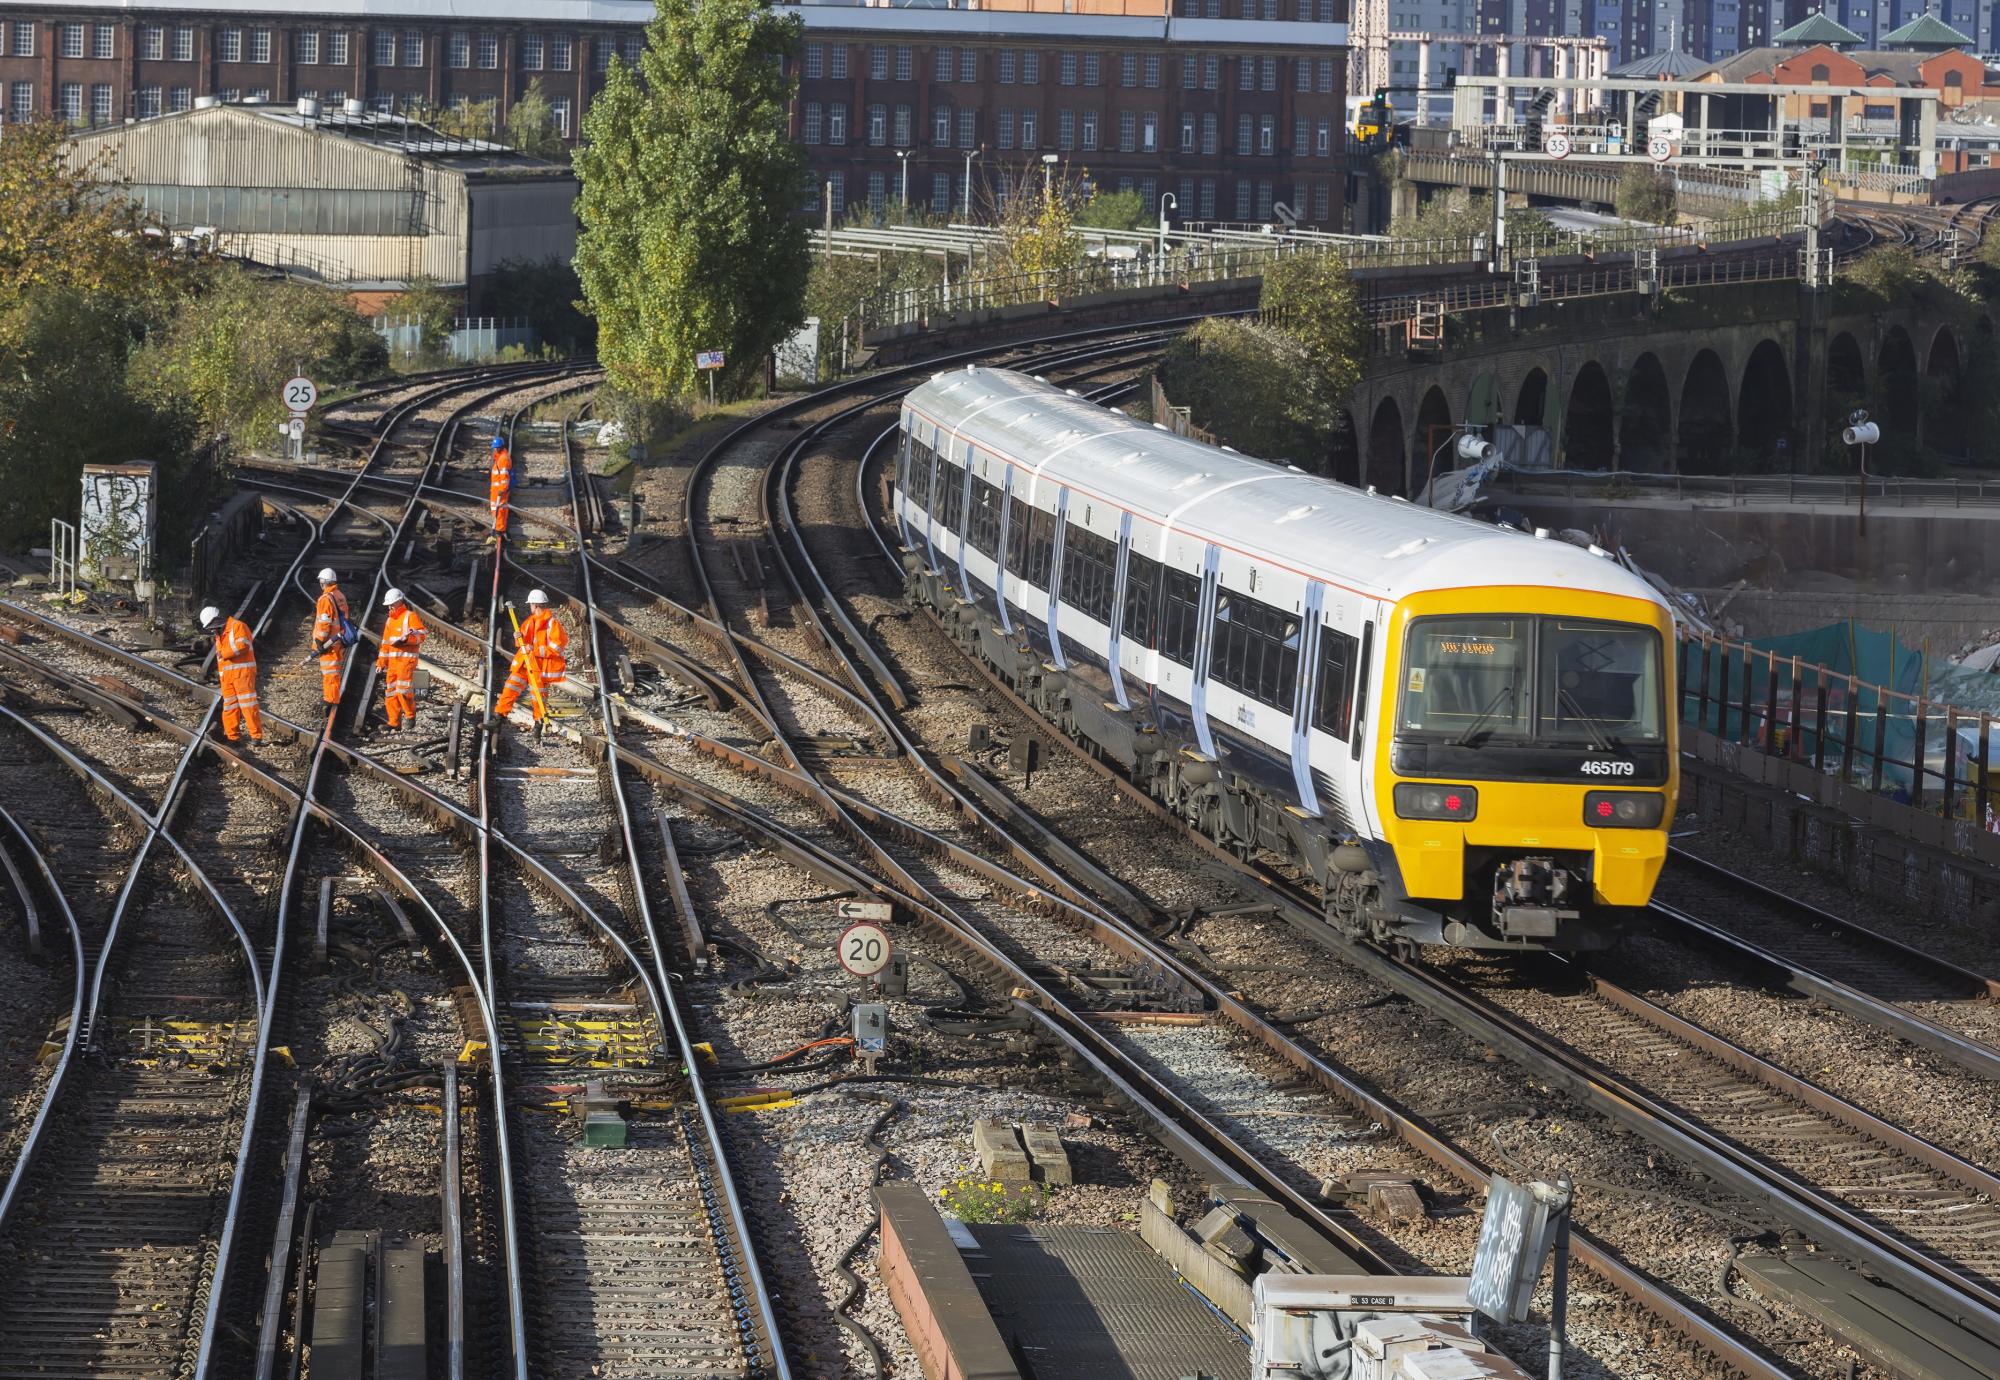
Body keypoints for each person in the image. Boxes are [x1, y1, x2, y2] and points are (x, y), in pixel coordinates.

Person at [494, 588, 569, 725]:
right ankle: (498, 718)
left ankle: (539, 724)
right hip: (525, 662)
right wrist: (518, 637)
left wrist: (534, 650)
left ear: (535, 605)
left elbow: (557, 647)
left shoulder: (552, 624)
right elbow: (522, 642)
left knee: (538, 696)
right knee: (510, 687)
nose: (530, 607)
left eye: (530, 605)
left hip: (539, 667)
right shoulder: (529, 622)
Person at [200, 605, 263, 745]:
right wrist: (221, 676)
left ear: (216, 619)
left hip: (242, 673)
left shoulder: (238, 626)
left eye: (211, 625)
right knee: (229, 707)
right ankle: (232, 736)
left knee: (248, 704)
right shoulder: (219, 635)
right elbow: (220, 659)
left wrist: (225, 653)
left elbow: (243, 645)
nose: (211, 629)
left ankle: (256, 736)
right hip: (228, 677)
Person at [377, 589, 428, 732]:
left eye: (392, 604)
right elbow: (385, 643)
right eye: (389, 605)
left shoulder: (410, 616)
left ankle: (410, 715)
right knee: (391, 692)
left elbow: (421, 636)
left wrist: (407, 640)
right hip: (393, 664)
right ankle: (393, 722)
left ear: (400, 601)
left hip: (406, 662)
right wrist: (381, 662)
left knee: (403, 691)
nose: (390, 607)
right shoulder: (390, 620)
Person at [309, 567, 350, 706]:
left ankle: (331, 700)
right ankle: (332, 697)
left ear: (323, 582)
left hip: (329, 642)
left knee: (330, 673)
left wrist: (319, 640)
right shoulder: (339, 595)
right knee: (334, 671)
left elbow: (324, 623)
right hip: (338, 639)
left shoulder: (325, 599)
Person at [488, 434, 513, 535]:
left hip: (499, 490)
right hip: (497, 489)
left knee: (499, 509)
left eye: (495, 448)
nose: (494, 450)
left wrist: (502, 489)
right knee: (500, 508)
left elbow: (504, 477)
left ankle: (499, 530)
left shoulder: (502, 459)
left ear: (499, 448)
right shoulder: (502, 457)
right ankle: (500, 528)